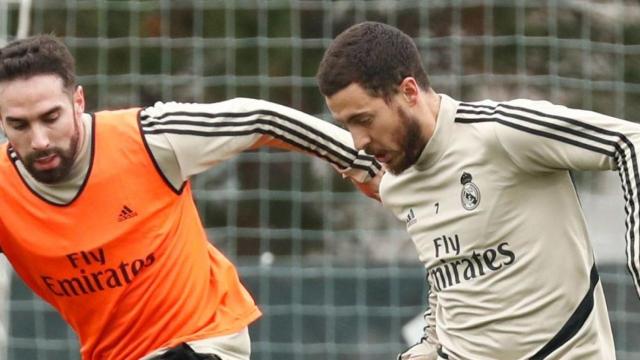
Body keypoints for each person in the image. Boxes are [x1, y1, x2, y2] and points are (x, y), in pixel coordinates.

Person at [0, 35, 381, 360]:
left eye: (51, 117)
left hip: (204, 340)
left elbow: (259, 120)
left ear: (78, 101)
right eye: (19, 125)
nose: (40, 140)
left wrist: (362, 162)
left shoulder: (148, 139)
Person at [316, 21, 640, 360]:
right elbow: (448, 282)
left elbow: (630, 143)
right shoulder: (398, 185)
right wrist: (429, 345)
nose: (359, 142)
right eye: (347, 126)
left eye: (364, 120)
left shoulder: (502, 133)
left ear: (409, 92)